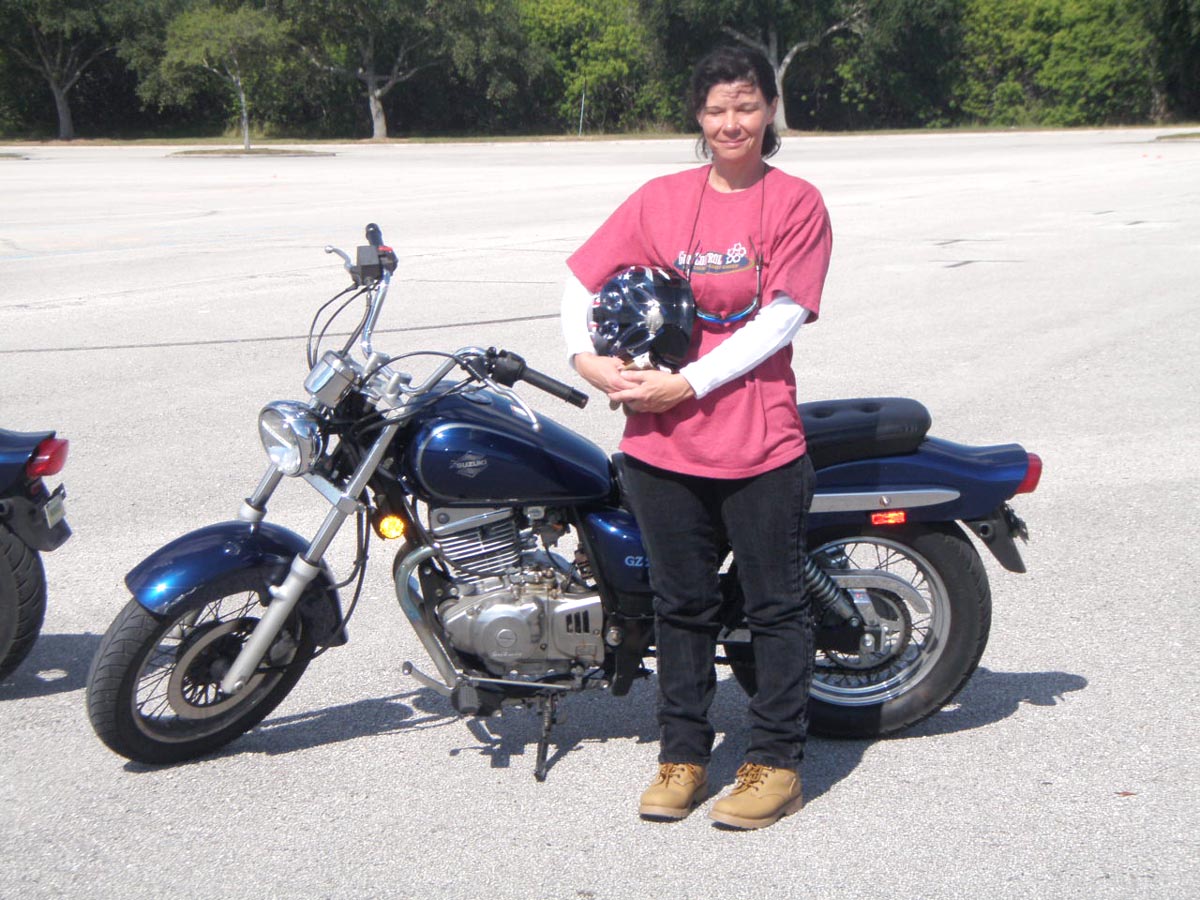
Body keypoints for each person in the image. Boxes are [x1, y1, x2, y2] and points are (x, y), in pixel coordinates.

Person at [560, 45, 832, 830]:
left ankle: (776, 762)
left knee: (775, 606)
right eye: (716, 109)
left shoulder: (795, 202)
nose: (730, 123)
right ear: (698, 117)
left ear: (770, 110)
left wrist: (691, 383)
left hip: (759, 442)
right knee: (681, 607)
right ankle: (681, 755)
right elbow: (578, 280)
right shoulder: (661, 199)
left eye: (745, 106)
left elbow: (781, 317)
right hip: (661, 447)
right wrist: (586, 359)